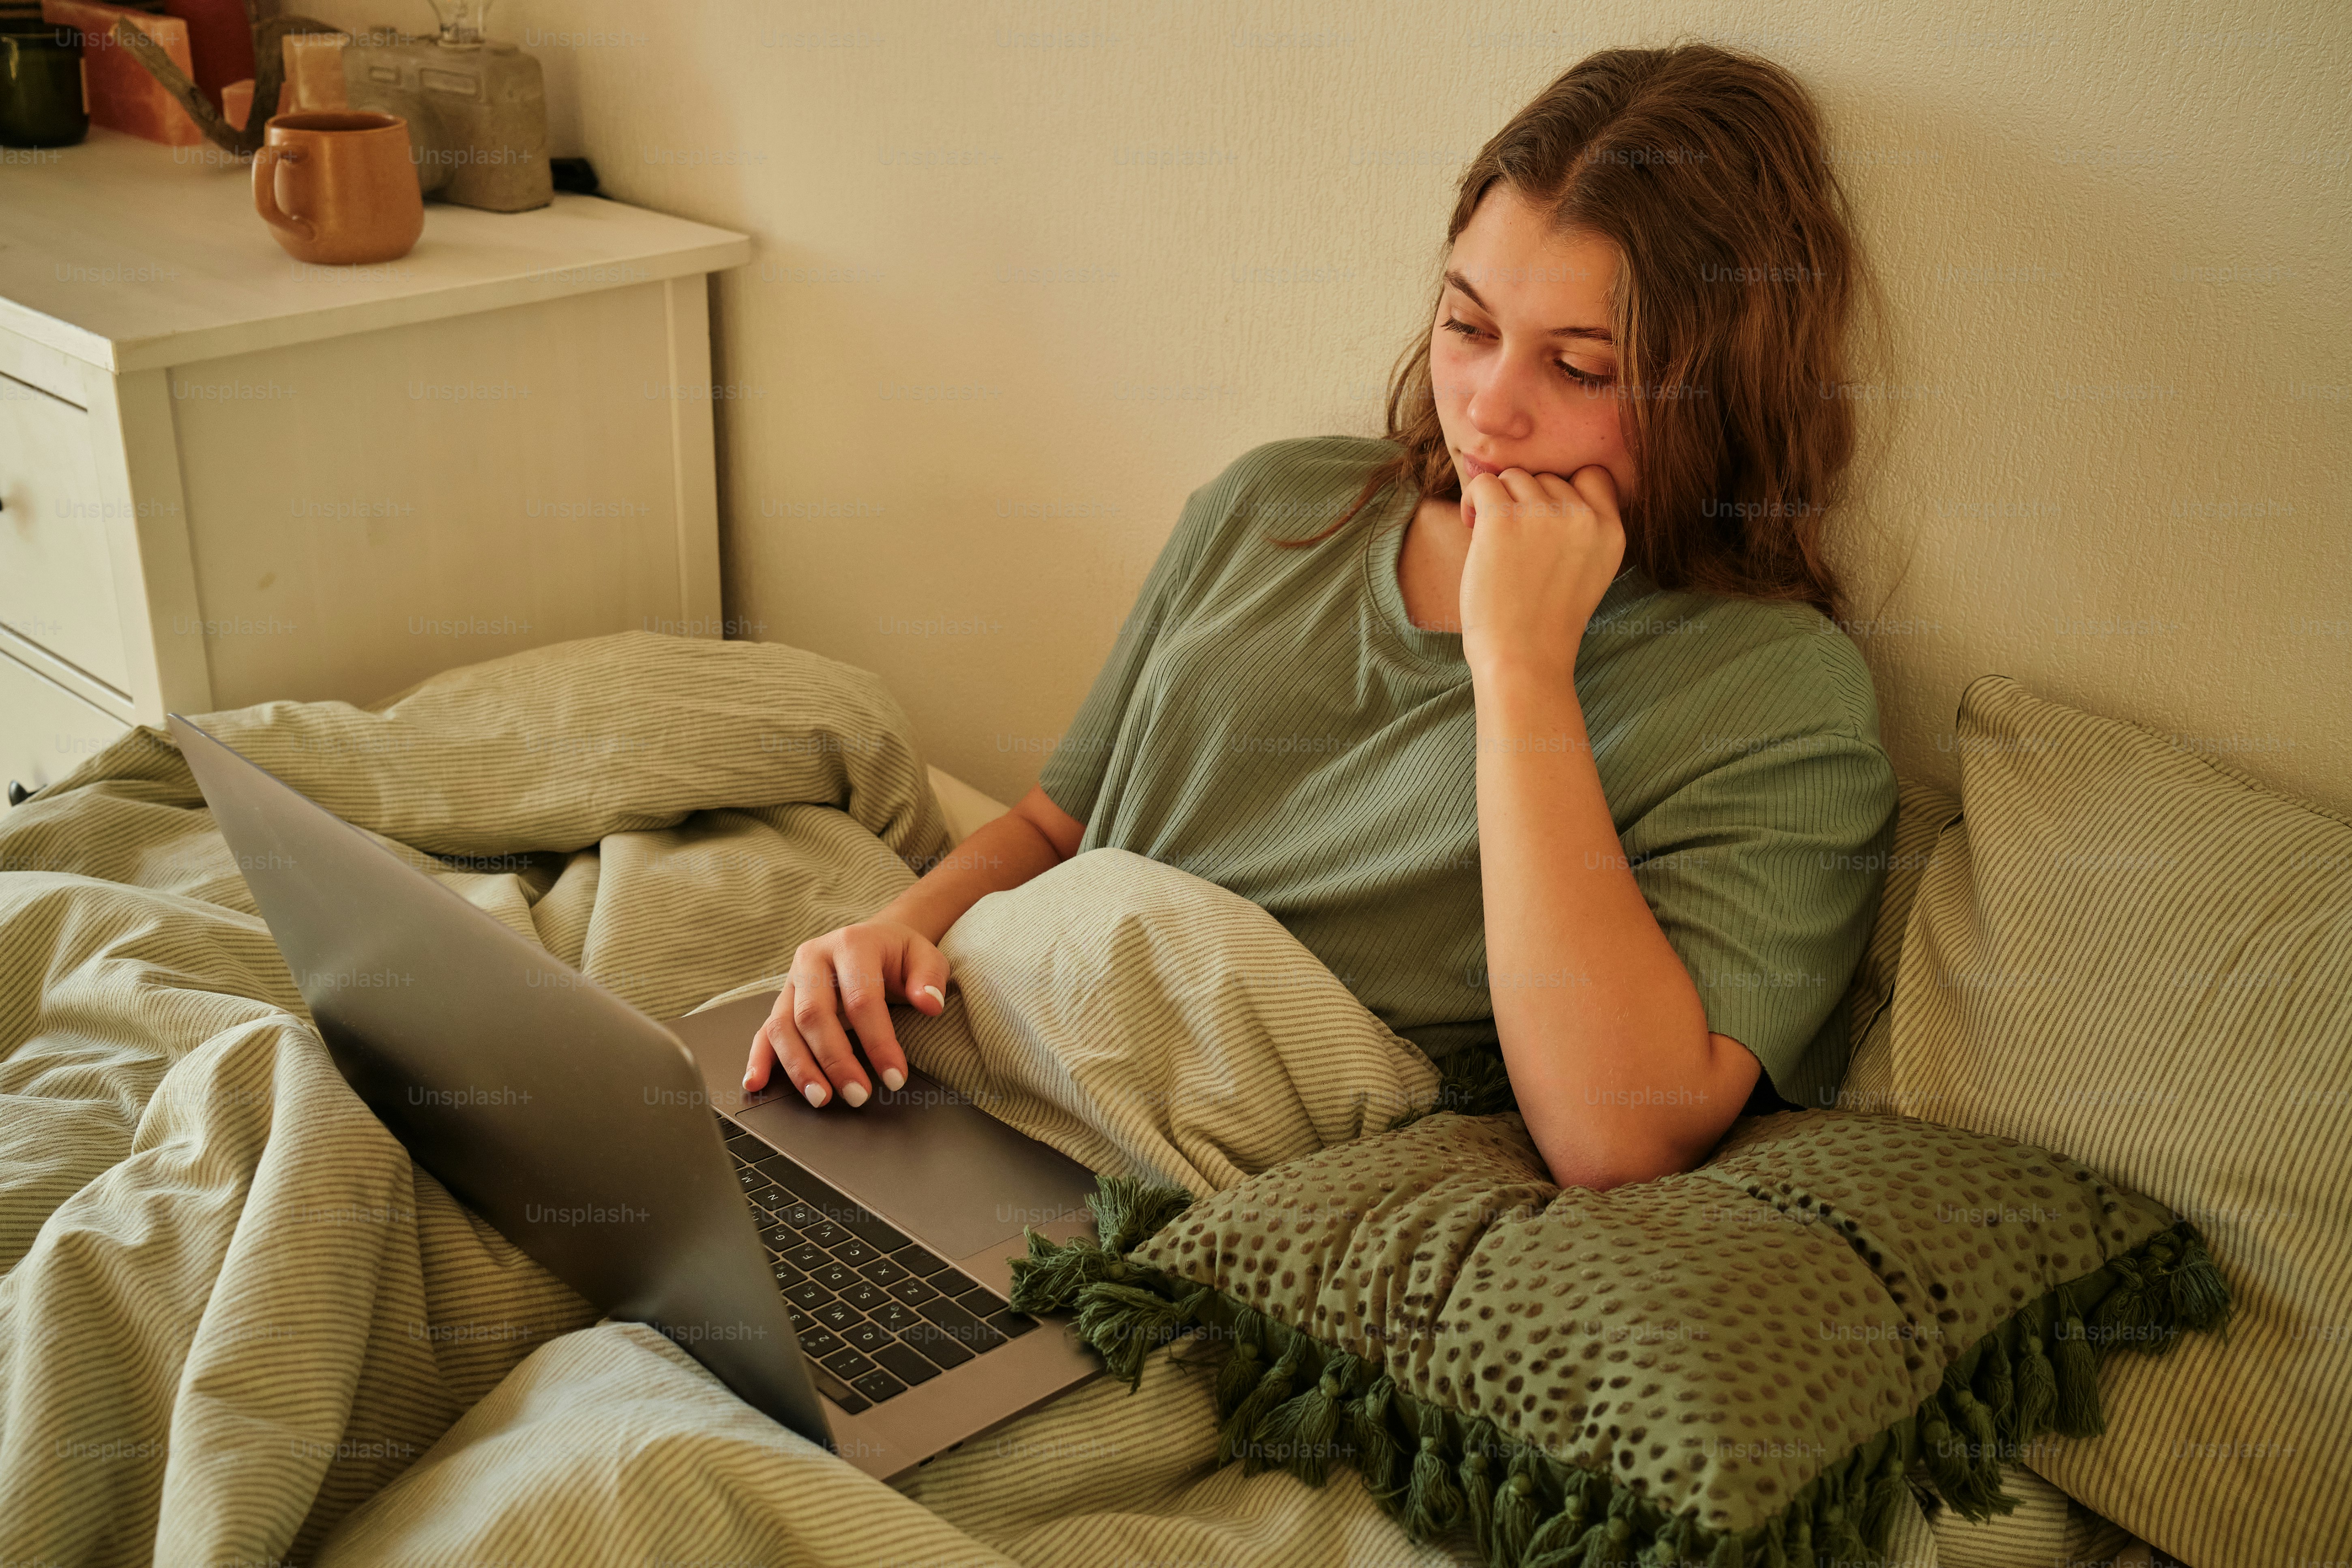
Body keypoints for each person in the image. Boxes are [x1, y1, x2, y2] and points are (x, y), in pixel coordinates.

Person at [743, 42, 1899, 1193]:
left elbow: (1616, 1135)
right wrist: (894, 929)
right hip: (929, 1074)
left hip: (1139, 1199)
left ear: (1723, 384)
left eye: (1581, 368)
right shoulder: (1275, 501)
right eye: (1468, 326)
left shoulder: (1776, 694)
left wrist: (1523, 667)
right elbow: (1059, 824)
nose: (1489, 409)